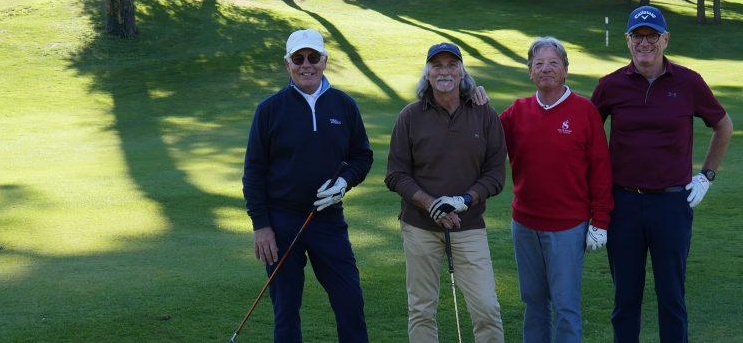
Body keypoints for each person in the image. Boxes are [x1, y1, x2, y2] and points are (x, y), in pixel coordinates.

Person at [590, 6, 734, 343]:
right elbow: (588, 140)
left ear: (665, 39)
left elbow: (723, 125)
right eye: (637, 37)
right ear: (627, 40)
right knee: (625, 299)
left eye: (652, 36)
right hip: (623, 204)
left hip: (671, 204)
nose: (645, 43)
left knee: (672, 297)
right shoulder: (610, 86)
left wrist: (707, 176)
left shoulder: (688, 82)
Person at [242, 28, 374, 343]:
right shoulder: (270, 110)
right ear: (288, 64)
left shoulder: (344, 105)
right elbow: (254, 171)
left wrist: (344, 181)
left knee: (350, 302)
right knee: (286, 311)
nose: (306, 65)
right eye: (298, 58)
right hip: (281, 222)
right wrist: (261, 226)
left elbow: (362, 155)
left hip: (328, 220)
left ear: (324, 61)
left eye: (313, 57)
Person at [385, 42, 507, 343]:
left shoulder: (484, 114)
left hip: (469, 226)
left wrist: (462, 201)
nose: (444, 71)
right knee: (422, 309)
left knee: (486, 308)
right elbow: (396, 174)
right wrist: (431, 205)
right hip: (419, 227)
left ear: (462, 72)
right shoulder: (410, 116)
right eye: (436, 65)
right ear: (427, 73)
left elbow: (495, 175)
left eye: (451, 64)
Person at [499, 36, 614, 343]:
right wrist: (476, 98)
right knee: (533, 303)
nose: (546, 69)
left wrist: (600, 221)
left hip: (567, 227)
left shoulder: (584, 111)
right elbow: (484, 140)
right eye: (539, 63)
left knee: (565, 306)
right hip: (524, 224)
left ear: (565, 70)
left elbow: (601, 171)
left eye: (553, 63)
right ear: (530, 72)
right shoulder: (517, 112)